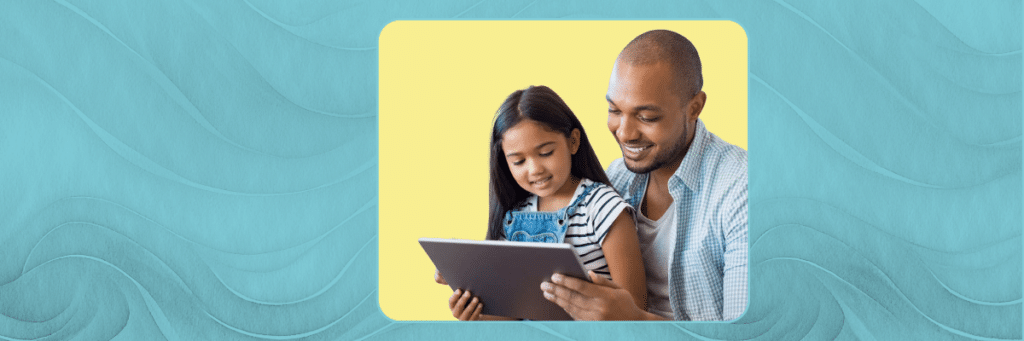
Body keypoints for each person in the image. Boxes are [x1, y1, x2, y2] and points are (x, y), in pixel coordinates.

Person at [540, 30, 748, 321]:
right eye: (614, 110)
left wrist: (635, 322)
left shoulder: (742, 189)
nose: (625, 133)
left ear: (694, 108)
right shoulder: (615, 179)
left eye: (647, 117)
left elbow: (748, 334)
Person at [437, 85, 647, 321]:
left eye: (546, 153)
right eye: (519, 161)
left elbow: (634, 309)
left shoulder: (603, 208)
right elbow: (513, 314)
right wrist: (477, 314)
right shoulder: (514, 216)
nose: (535, 169)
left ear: (573, 141)